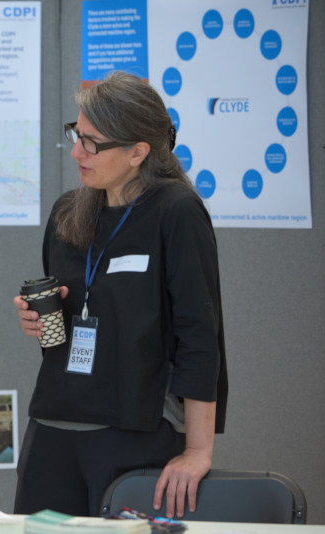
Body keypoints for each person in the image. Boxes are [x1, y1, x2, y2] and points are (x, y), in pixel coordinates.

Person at [13, 71, 228, 519]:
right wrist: (35, 320)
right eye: (76, 134)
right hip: (53, 423)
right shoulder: (68, 211)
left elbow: (200, 336)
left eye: (91, 142)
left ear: (138, 151)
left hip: (135, 430)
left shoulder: (177, 212)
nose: (76, 151)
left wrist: (197, 450)